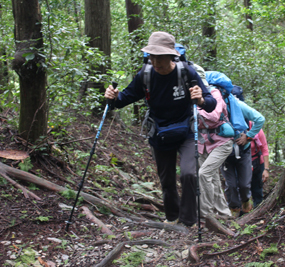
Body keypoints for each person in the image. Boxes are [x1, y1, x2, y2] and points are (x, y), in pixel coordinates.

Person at [104, 32, 216, 227]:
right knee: (167, 180)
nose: (155, 61)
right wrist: (112, 97)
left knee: (189, 174)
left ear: (171, 56)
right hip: (160, 134)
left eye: (160, 56)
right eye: (151, 56)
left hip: (186, 132)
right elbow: (122, 100)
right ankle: (172, 217)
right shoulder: (145, 75)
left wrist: (200, 99)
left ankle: (189, 220)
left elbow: (211, 103)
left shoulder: (186, 73)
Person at [193, 64, 232, 218]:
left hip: (222, 142)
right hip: (203, 144)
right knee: (213, 178)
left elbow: (214, 116)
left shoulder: (214, 93)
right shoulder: (188, 94)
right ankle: (224, 213)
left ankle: (205, 213)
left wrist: (195, 109)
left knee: (203, 174)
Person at [221, 90, 265, 217]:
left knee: (245, 184)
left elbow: (260, 119)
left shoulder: (238, 105)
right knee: (231, 185)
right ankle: (234, 209)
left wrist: (249, 136)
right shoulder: (213, 106)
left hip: (243, 150)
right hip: (224, 152)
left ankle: (245, 200)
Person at [249, 121, 270, 208]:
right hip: (241, 164)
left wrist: (266, 169)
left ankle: (258, 209)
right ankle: (242, 213)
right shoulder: (233, 128)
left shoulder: (255, 127)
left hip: (257, 162)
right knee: (242, 189)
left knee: (257, 189)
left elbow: (264, 148)